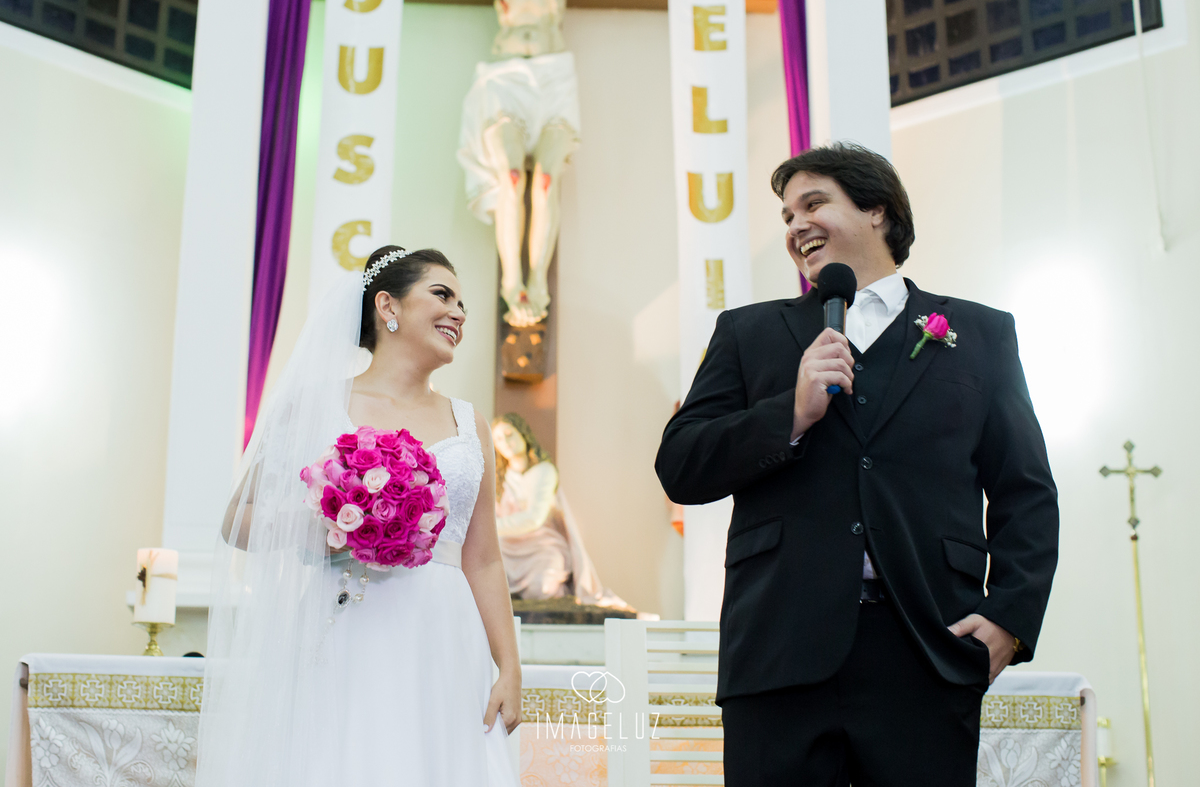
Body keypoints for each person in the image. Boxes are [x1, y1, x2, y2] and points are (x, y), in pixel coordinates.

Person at [655, 143, 1059, 786]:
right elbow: (680, 464)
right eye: (787, 216)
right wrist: (789, 414)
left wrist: (1011, 616)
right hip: (778, 648)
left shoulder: (981, 334)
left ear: (877, 210)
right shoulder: (748, 333)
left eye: (813, 204)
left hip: (927, 644)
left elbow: (1025, 491)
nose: (796, 226)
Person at [199, 247, 521, 787]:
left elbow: (484, 559)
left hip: (443, 636)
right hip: (346, 625)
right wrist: (326, 524)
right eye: (442, 295)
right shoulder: (313, 405)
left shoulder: (471, 424)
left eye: (463, 304)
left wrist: (508, 666)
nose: (459, 313)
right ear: (388, 306)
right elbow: (237, 520)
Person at [457, 0, 580, 327]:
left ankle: (538, 280)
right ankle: (511, 282)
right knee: (510, 178)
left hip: (554, 78)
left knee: (546, 180)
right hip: (504, 79)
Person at [491, 413, 632, 608]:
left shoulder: (544, 471)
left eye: (509, 434)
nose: (505, 442)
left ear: (523, 434)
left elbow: (534, 518)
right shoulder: (499, 479)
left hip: (542, 544)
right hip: (507, 546)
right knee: (489, 574)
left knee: (543, 587)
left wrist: (492, 527)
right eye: (498, 439)